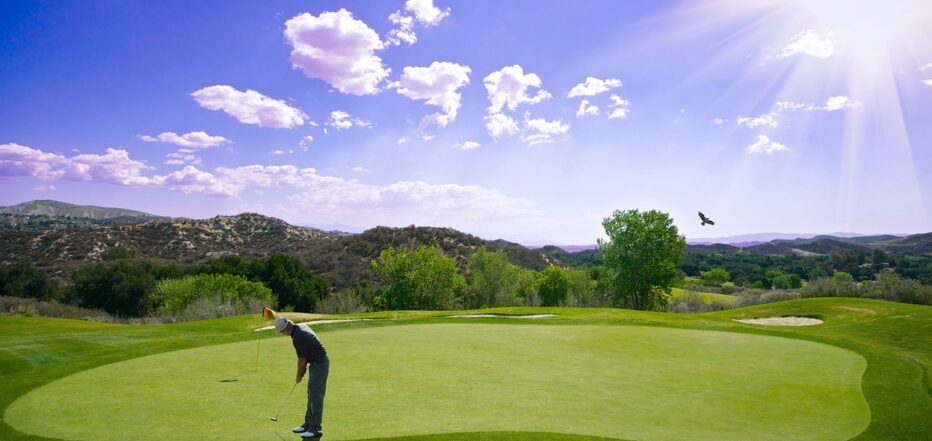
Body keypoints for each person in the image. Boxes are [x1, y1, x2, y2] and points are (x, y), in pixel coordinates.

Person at [275, 317, 329, 439]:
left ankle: (316, 428)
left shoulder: (297, 337)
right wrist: (303, 370)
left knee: (316, 396)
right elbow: (305, 357)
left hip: (320, 363)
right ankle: (308, 424)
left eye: (281, 332)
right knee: (311, 393)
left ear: (285, 330)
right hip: (316, 363)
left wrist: (298, 375)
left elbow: (302, 360)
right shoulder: (300, 327)